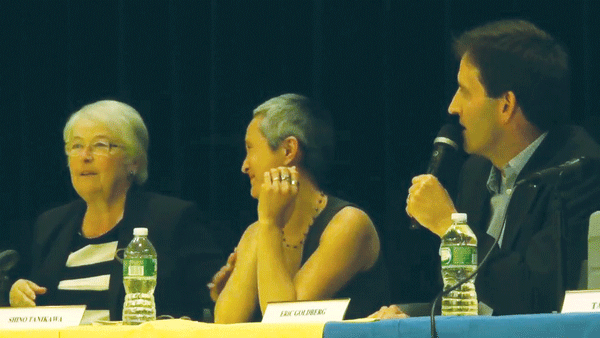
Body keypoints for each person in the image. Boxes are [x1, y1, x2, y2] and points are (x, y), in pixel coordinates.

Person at [402, 19, 600, 316]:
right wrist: (408, 314)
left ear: (506, 105)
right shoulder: (475, 172)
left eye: (465, 91)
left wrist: (452, 229)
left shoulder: (577, 171)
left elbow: (539, 299)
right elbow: (467, 300)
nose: (453, 107)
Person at [9, 100, 222, 321]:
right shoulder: (51, 225)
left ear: (134, 162)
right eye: (76, 146)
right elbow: (42, 304)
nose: (85, 156)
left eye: (100, 145)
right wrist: (21, 294)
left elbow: (216, 296)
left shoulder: (170, 219)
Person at [209, 93, 390, 323]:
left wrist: (270, 225)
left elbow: (285, 323)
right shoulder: (257, 231)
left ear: (288, 150)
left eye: (250, 148)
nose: (244, 166)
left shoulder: (349, 224)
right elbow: (226, 327)